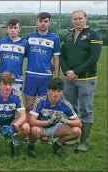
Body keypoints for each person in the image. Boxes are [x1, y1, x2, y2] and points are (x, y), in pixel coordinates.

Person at [60, 9, 103, 152]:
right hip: (69, 79)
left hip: (87, 79)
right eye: (75, 19)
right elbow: (63, 57)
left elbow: (93, 58)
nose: (77, 21)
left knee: (86, 110)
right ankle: (74, 137)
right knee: (71, 110)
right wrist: (67, 72)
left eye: (80, 18)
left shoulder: (94, 35)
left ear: (86, 18)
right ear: (72, 20)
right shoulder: (68, 36)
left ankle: (84, 142)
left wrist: (76, 72)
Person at [24, 12, 61, 141]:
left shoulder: (54, 38)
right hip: (31, 75)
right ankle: (28, 131)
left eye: (46, 21)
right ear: (37, 22)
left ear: (49, 23)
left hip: (46, 77)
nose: (43, 23)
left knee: (44, 106)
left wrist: (56, 77)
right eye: (41, 21)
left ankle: (41, 132)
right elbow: (26, 54)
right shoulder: (29, 37)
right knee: (29, 105)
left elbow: (56, 58)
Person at [26, 78, 82, 157]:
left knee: (77, 131)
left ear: (62, 92)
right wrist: (49, 122)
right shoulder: (40, 101)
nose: (56, 94)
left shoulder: (65, 104)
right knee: (34, 130)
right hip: (41, 127)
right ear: (48, 91)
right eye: (53, 90)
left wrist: (65, 121)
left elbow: (79, 123)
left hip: (55, 128)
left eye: (59, 91)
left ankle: (58, 144)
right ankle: (31, 146)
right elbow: (31, 121)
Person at [0, 72, 30, 157]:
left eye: (10, 84)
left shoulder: (17, 95)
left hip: (11, 122)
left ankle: (14, 144)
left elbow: (23, 116)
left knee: (26, 127)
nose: (7, 87)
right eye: (5, 84)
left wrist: (13, 126)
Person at [0, 19, 28, 93]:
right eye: (10, 28)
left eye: (15, 28)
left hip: (17, 79)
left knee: (16, 103)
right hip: (2, 79)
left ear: (19, 29)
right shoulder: (1, 42)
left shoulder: (25, 43)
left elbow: (33, 57)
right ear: (7, 29)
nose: (13, 30)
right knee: (0, 101)